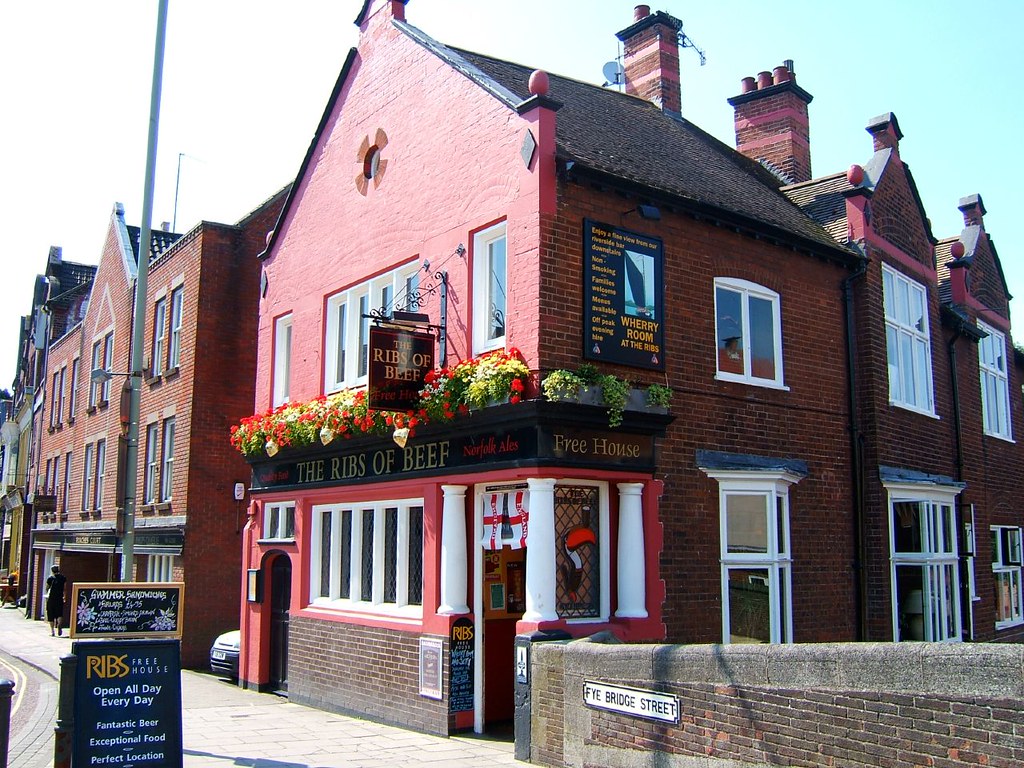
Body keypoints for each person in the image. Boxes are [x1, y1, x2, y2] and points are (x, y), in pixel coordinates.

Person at [45, 564, 67, 636]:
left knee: (50, 615)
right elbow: (64, 588)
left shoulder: (50, 578)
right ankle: (59, 624)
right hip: (59, 598)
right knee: (59, 613)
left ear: (52, 571)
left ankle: (52, 631)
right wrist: (64, 596)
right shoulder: (63, 578)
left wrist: (47, 592)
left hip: (51, 598)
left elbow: (47, 588)